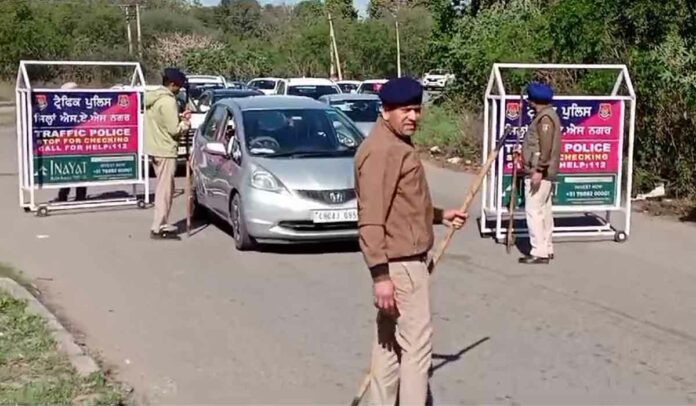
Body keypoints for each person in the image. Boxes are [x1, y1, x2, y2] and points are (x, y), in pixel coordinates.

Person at [354, 76, 468, 405]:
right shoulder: (382, 151)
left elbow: (404, 204)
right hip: (400, 266)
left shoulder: (395, 144)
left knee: (389, 349)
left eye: (417, 111)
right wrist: (381, 277)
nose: (413, 117)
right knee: (417, 350)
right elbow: (372, 218)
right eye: (406, 110)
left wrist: (440, 215)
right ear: (385, 110)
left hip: (400, 264)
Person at [518, 82, 562, 264]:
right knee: (544, 211)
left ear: (535, 100)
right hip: (543, 171)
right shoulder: (546, 116)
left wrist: (538, 170)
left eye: (530, 99)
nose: (528, 103)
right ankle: (546, 247)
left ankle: (539, 251)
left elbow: (546, 148)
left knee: (534, 211)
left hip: (540, 172)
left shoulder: (545, 119)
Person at [144, 68, 190, 240]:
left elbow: (161, 121)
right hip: (165, 150)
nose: (179, 89)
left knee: (162, 188)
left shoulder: (154, 98)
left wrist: (178, 116)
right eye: (178, 86)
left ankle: (160, 223)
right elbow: (174, 130)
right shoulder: (168, 102)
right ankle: (159, 226)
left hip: (155, 148)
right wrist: (185, 123)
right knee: (165, 191)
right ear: (172, 84)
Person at [55, 82, 87, 203]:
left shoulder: (80, 105)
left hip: (78, 141)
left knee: (79, 169)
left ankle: (78, 196)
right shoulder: (64, 107)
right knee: (68, 169)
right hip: (69, 142)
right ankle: (66, 195)